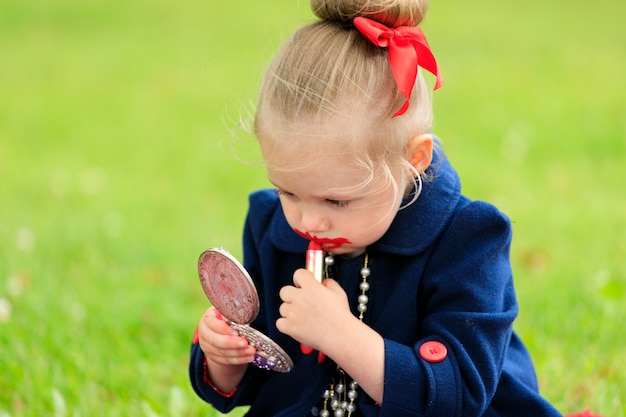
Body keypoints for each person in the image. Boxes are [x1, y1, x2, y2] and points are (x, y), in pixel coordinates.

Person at [189, 0, 564, 416]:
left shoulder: (468, 241)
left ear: (414, 161)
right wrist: (225, 359)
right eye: (287, 192)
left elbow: (458, 395)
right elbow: (266, 371)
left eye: (337, 200)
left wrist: (343, 335)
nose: (308, 220)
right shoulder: (270, 225)